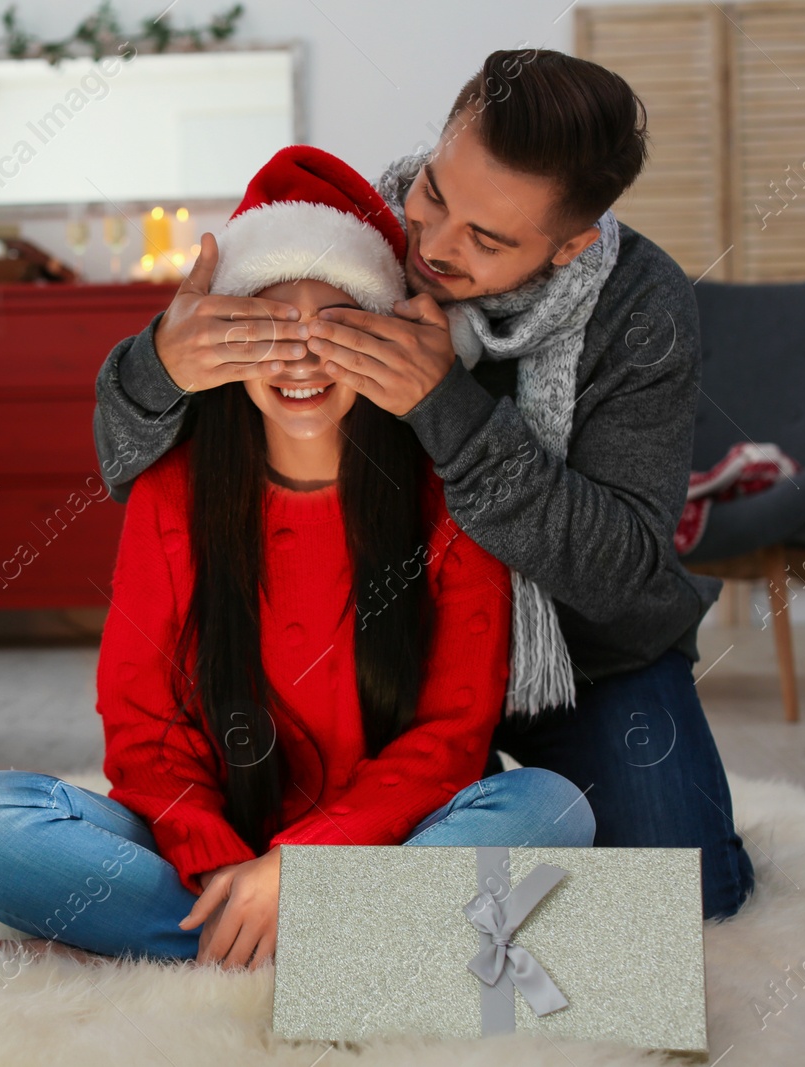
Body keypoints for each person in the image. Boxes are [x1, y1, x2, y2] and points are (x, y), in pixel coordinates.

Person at [90, 48, 755, 923]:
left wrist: (451, 411)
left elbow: (622, 571)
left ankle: (320, 928)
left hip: (583, 658)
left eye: (488, 239)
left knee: (693, 902)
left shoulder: (642, 309)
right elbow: (132, 456)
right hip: (388, 656)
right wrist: (157, 366)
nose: (433, 247)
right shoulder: (354, 233)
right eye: (437, 193)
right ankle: (294, 921)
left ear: (570, 244)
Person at [0, 147, 595, 972]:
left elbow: (449, 738)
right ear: (224, 345)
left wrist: (304, 866)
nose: (300, 356)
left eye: (340, 328)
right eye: (268, 328)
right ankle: (343, 948)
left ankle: (204, 948)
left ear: (386, 342)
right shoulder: (174, 489)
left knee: (549, 805)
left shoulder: (448, 496)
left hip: (382, 839)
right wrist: (221, 863)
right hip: (209, 840)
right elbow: (144, 726)